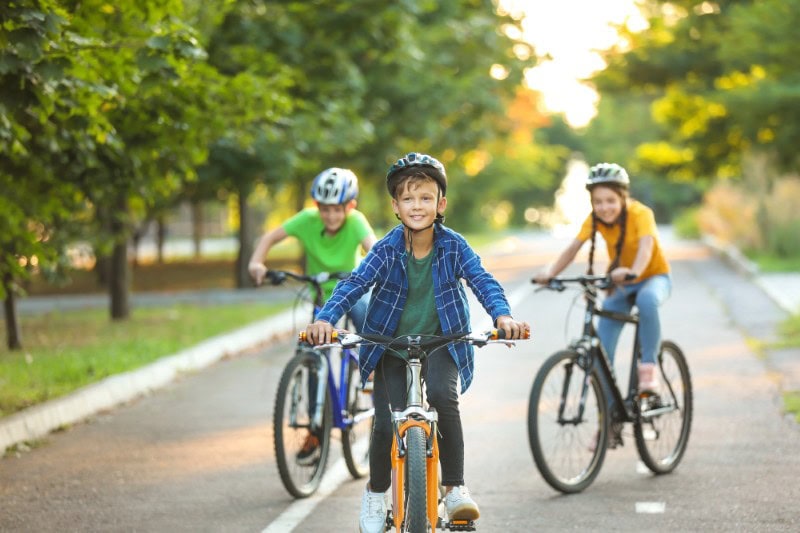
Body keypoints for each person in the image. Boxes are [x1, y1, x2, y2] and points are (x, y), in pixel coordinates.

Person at [304, 152, 530, 533]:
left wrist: (502, 316)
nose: (417, 206)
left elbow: (482, 280)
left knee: (444, 397)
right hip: (390, 343)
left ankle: (455, 486)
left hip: (443, 340)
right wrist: (325, 318)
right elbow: (355, 283)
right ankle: (377, 494)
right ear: (395, 206)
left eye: (426, 197)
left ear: (441, 203)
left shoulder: (454, 245)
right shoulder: (387, 248)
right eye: (408, 198)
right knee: (382, 422)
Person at [249, 167, 376, 463]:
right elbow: (269, 237)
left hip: (353, 290)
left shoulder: (356, 222)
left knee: (370, 330)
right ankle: (316, 430)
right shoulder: (306, 220)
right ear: (317, 207)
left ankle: (374, 379)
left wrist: (372, 270)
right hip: (322, 296)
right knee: (311, 350)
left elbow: (373, 249)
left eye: (337, 210)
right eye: (325, 209)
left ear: (350, 207)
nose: (330, 216)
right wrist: (257, 263)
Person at [532, 162, 672, 398]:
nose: (604, 207)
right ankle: (608, 423)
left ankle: (648, 370)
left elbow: (646, 247)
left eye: (610, 200)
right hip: (622, 284)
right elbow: (573, 248)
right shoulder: (593, 220)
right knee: (601, 357)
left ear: (623, 198)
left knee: (648, 301)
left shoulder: (641, 214)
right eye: (598, 202)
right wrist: (551, 273)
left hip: (653, 277)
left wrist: (634, 271)